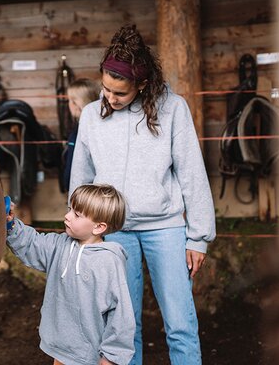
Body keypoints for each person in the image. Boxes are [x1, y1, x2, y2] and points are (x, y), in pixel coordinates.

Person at [69, 24, 216, 365]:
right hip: (112, 230)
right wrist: (80, 226)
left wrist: (198, 237)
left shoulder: (173, 109)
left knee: (180, 322)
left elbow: (192, 172)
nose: (110, 98)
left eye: (120, 93)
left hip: (165, 228)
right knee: (122, 326)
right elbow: (81, 177)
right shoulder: (91, 115)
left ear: (143, 84)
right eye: (105, 89)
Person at [6, 184, 135, 365]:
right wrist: (11, 225)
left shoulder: (108, 263)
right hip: (60, 348)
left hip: (88, 355)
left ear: (99, 227)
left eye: (77, 214)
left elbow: (121, 314)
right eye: (70, 209)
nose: (67, 216)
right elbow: (32, 243)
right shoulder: (60, 245)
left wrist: (111, 357)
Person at [61, 78, 101, 193]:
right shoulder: (80, 128)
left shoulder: (81, 131)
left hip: (83, 193)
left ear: (76, 104)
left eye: (70, 100)